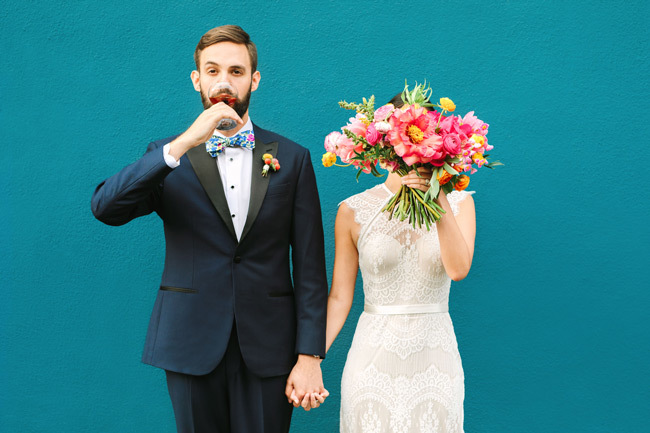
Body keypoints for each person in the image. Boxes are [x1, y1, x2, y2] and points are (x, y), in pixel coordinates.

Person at [91, 25, 328, 433]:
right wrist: (181, 145)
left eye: (236, 72)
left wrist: (310, 357)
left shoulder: (293, 158)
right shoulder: (166, 157)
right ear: (196, 79)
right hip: (189, 341)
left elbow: (310, 269)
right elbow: (106, 208)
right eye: (213, 71)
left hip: (271, 348)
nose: (224, 82)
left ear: (254, 79)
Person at [324, 96, 476, 432]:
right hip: (372, 362)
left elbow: (458, 269)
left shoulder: (460, 202)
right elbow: (339, 298)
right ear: (386, 141)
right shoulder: (353, 209)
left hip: (436, 361)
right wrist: (310, 359)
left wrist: (436, 193)